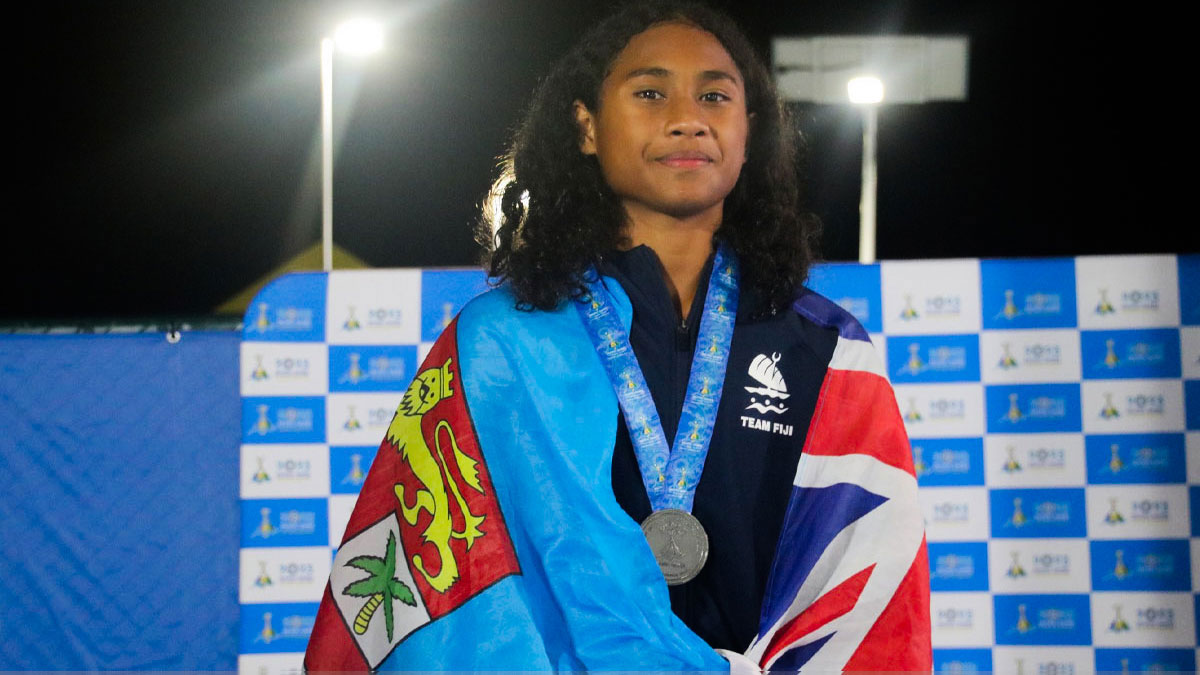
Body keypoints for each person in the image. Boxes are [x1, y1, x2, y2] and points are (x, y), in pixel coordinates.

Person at [305, 2, 930, 672]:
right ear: (586, 127)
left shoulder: (827, 350)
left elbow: (870, 600)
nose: (687, 118)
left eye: (715, 96)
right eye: (651, 93)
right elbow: (450, 601)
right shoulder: (501, 342)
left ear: (748, 131)